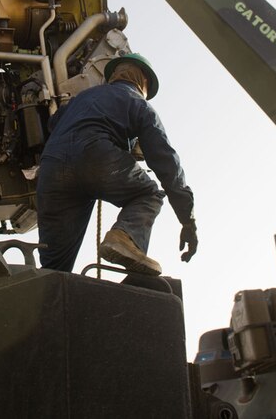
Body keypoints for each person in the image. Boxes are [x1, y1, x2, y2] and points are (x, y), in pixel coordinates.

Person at [35, 53, 197, 275]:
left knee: (54, 269)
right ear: (145, 82)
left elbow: (53, 123)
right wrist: (187, 220)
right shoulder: (139, 104)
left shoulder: (81, 98)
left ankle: (45, 296)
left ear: (114, 75)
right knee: (149, 194)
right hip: (96, 157)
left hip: (51, 169)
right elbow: (166, 162)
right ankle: (123, 237)